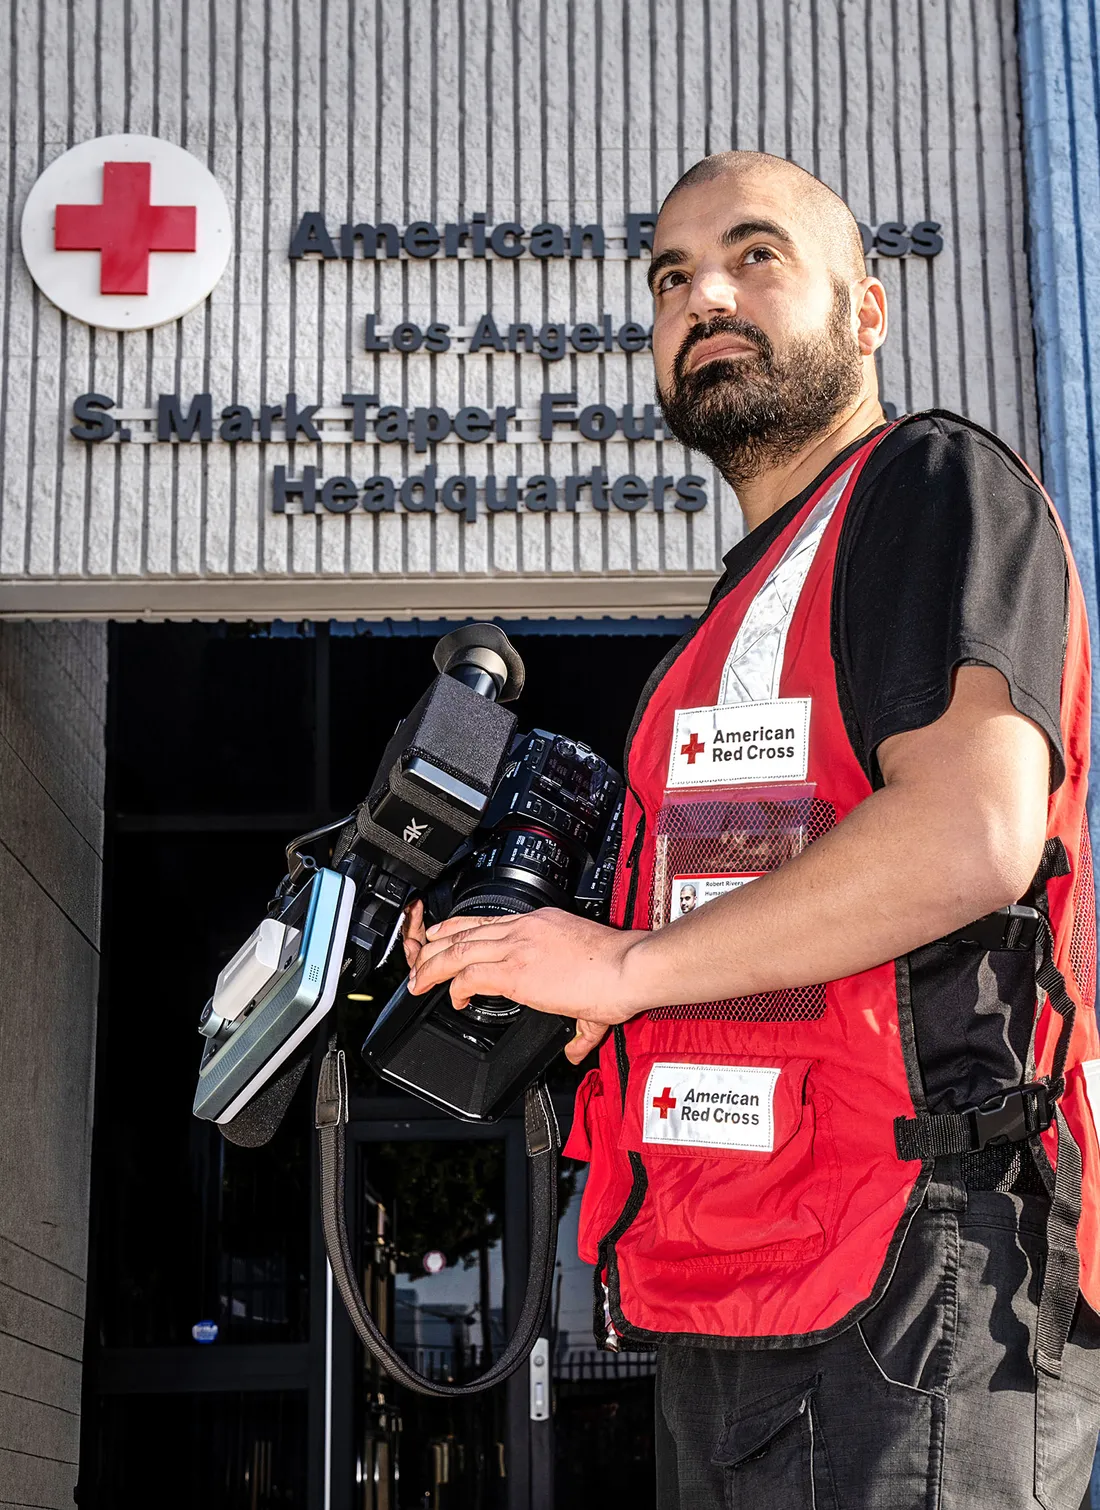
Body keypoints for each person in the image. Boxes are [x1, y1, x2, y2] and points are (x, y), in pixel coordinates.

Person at [402, 152, 1100, 1508]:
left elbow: (972, 834)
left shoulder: (928, 488)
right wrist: (589, 985)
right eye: (670, 276)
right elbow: (754, 940)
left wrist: (619, 968)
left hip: (916, 1287)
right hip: (735, 1298)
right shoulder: (724, 629)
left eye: (754, 254)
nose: (703, 291)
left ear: (867, 310)